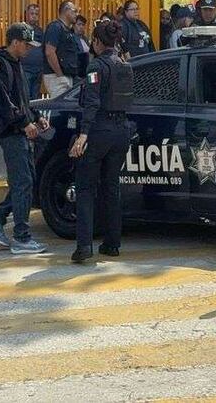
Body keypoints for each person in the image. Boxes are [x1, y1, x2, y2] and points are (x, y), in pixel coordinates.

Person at [0, 23, 50, 255]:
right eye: (26, 45)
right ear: (15, 42)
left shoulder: (16, 63)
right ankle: (21, 237)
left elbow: (22, 99)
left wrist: (36, 117)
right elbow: (3, 103)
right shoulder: (0, 65)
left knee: (27, 180)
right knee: (23, 182)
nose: (29, 49)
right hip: (10, 132)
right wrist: (23, 123)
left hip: (20, 130)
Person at [69, 20, 134, 263]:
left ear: (96, 41)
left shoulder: (96, 66)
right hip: (121, 130)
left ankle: (84, 246)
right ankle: (112, 243)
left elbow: (92, 102)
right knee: (111, 187)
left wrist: (83, 134)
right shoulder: (125, 65)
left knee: (85, 188)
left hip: (99, 131)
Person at [43, 0, 82, 98]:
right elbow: (49, 52)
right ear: (66, 10)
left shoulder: (68, 30)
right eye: (74, 11)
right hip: (56, 75)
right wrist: (60, 75)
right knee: (60, 105)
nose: (77, 14)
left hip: (67, 75)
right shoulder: (55, 27)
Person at [20, 3, 45, 99]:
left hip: (38, 69)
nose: (34, 16)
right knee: (26, 96)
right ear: (26, 14)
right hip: (25, 68)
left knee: (36, 98)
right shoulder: (20, 28)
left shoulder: (40, 31)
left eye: (36, 14)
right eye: (32, 13)